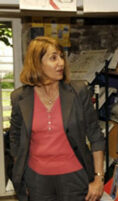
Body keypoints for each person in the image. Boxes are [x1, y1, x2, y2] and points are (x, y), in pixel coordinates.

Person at [9, 36, 105, 201]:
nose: (61, 62)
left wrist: (98, 178)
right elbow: (15, 140)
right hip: (37, 181)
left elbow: (95, 135)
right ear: (37, 63)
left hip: (75, 178)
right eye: (53, 58)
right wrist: (22, 177)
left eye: (61, 56)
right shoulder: (19, 97)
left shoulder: (78, 91)